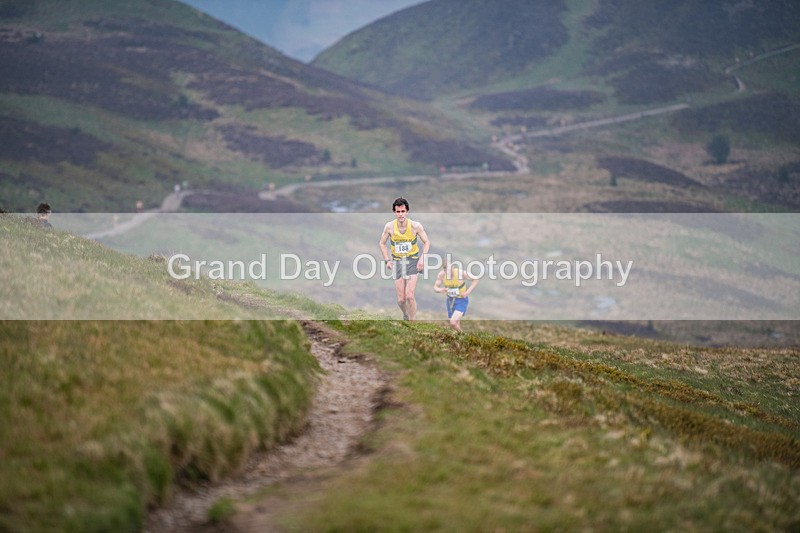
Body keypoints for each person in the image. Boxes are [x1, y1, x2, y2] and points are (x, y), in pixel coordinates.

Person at [379, 197, 430, 321]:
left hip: (412, 261)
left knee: (409, 296)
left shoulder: (415, 226)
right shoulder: (389, 227)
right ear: (394, 212)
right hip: (397, 262)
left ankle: (413, 323)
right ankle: (406, 315)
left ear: (407, 212)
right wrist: (387, 260)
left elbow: (427, 242)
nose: (400, 214)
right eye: (398, 212)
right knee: (401, 300)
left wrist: (422, 259)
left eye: (403, 211)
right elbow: (381, 243)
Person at [433, 255, 479, 332]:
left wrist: (467, 292)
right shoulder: (441, 275)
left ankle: (464, 336)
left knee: (453, 323)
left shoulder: (460, 273)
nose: (448, 272)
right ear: (444, 270)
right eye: (446, 270)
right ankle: (459, 342)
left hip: (461, 300)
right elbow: (435, 288)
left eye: (450, 269)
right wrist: (441, 289)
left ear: (453, 267)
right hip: (450, 301)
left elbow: (476, 279)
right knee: (456, 324)